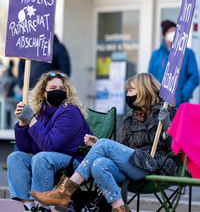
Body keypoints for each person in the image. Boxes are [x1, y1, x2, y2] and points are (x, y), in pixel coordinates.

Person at [30, 73, 178, 212]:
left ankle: (65, 191)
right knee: (99, 163)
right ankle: (120, 209)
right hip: (134, 164)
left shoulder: (164, 111)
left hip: (153, 163)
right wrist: (99, 144)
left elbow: (176, 146)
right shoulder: (130, 116)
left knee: (104, 145)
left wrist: (167, 126)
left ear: (143, 91)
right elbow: (125, 146)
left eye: (131, 90)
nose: (127, 95)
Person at [7, 71, 92, 212]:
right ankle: (29, 207)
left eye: (62, 89)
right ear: (43, 92)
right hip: (46, 159)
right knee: (16, 157)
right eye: (53, 88)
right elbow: (24, 147)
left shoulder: (70, 111)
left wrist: (32, 120)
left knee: (42, 158)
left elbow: (50, 145)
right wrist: (22, 123)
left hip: (74, 162)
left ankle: (43, 207)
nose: (57, 92)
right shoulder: (41, 112)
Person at [148, 20, 199, 106]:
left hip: (179, 104)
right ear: (165, 34)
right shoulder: (156, 55)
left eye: (176, 31)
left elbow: (194, 77)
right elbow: (150, 78)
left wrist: (183, 94)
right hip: (158, 104)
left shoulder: (187, 53)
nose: (174, 33)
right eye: (171, 31)